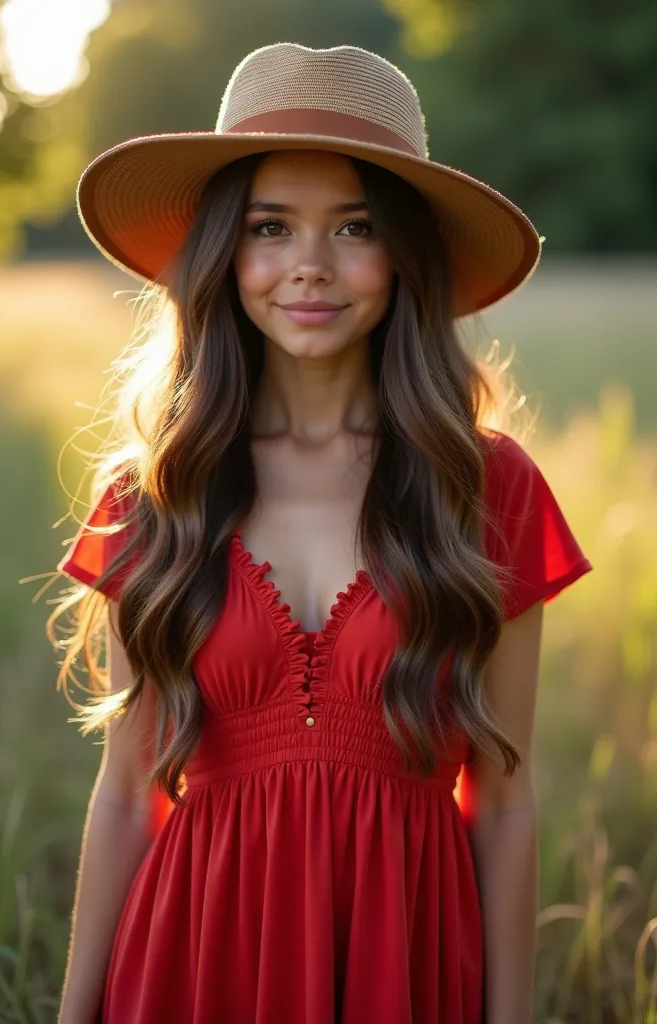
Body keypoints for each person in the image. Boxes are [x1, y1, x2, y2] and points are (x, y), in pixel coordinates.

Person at [47, 41, 593, 1024]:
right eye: (270, 226)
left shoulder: (486, 488)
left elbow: (504, 806)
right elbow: (128, 792)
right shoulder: (155, 489)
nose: (309, 265)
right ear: (226, 250)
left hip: (407, 964)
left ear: (405, 257)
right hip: (190, 962)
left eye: (354, 226)